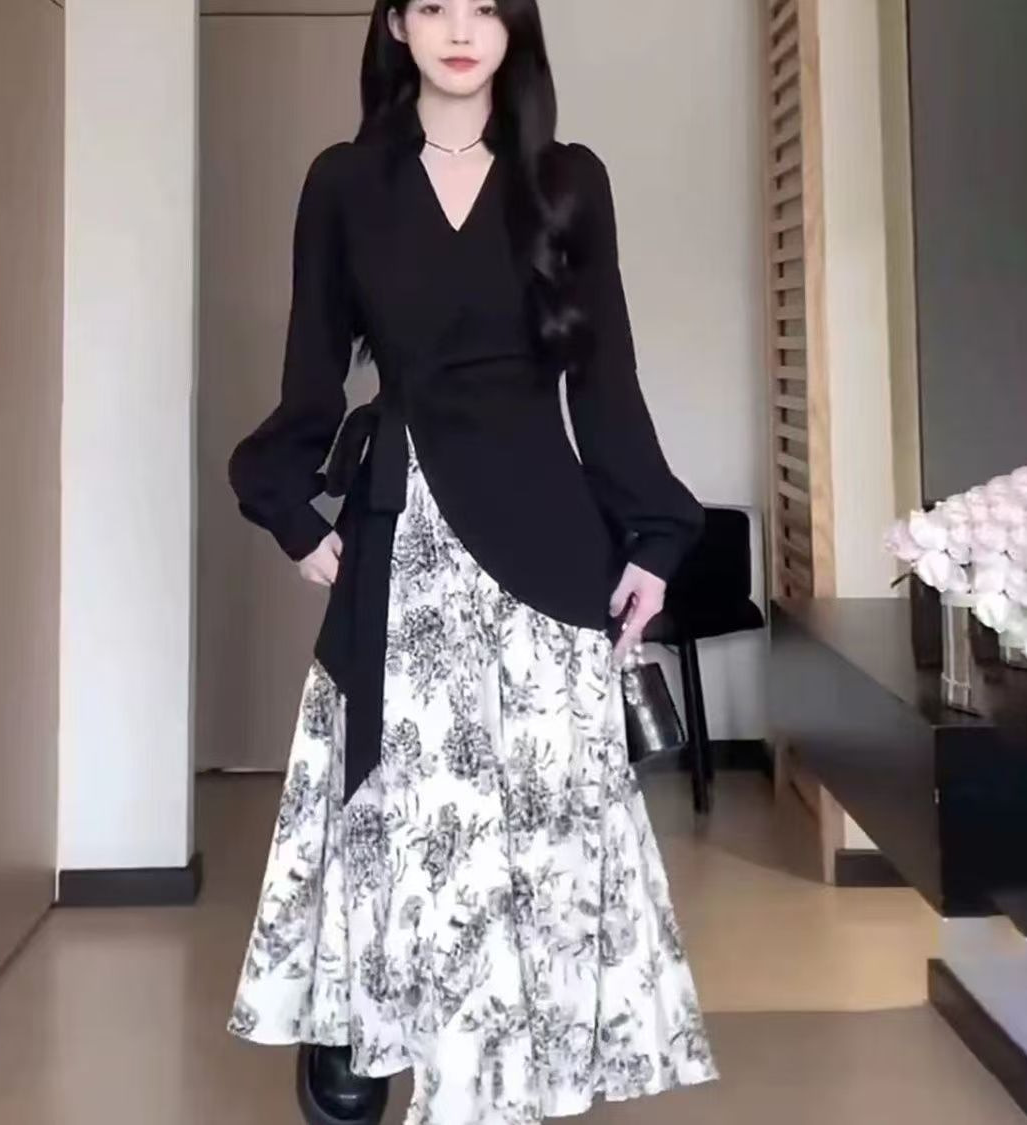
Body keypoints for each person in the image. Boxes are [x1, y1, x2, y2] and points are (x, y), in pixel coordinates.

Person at [225, 1, 719, 1122]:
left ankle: (492, 1079)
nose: (461, 28)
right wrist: (291, 511)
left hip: (547, 537)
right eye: (435, 5)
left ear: (514, 28)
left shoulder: (570, 181)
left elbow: (605, 378)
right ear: (397, 25)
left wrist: (652, 536)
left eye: (486, 6)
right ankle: (368, 1016)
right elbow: (311, 371)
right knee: (403, 805)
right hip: (402, 532)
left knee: (540, 826)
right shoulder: (345, 183)